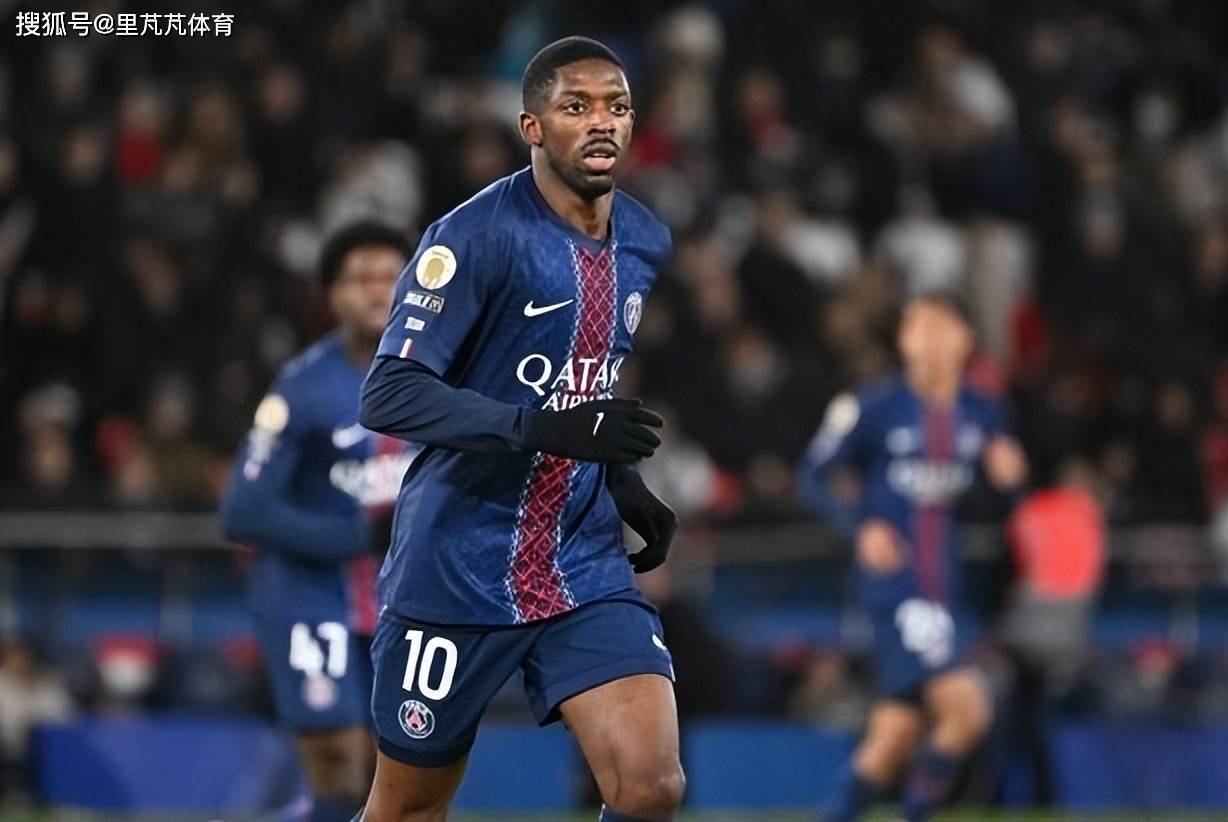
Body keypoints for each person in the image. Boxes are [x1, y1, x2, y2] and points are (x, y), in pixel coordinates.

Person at [355, 37, 683, 822]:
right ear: (532, 126)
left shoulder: (644, 240)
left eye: (617, 106)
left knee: (650, 787)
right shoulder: (474, 237)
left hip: (580, 561)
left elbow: (583, 378)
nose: (601, 122)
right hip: (459, 565)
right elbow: (390, 392)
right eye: (577, 106)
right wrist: (539, 428)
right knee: (407, 811)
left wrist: (621, 479)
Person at [798, 293, 1028, 822]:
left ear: (964, 339)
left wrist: (1009, 483)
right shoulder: (874, 405)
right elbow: (813, 475)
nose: (921, 336)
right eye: (912, 326)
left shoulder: (982, 411)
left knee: (892, 739)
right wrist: (860, 528)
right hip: (895, 586)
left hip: (945, 587)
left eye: (934, 324)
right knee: (969, 708)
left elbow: (1002, 501)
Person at [220, 222, 415, 822]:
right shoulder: (301, 388)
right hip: (311, 595)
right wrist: (358, 537)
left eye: (390, 276)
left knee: (404, 773)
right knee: (339, 762)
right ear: (331, 294)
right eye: (360, 278)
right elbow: (242, 510)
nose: (377, 290)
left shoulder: (445, 377)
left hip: (406, 601)